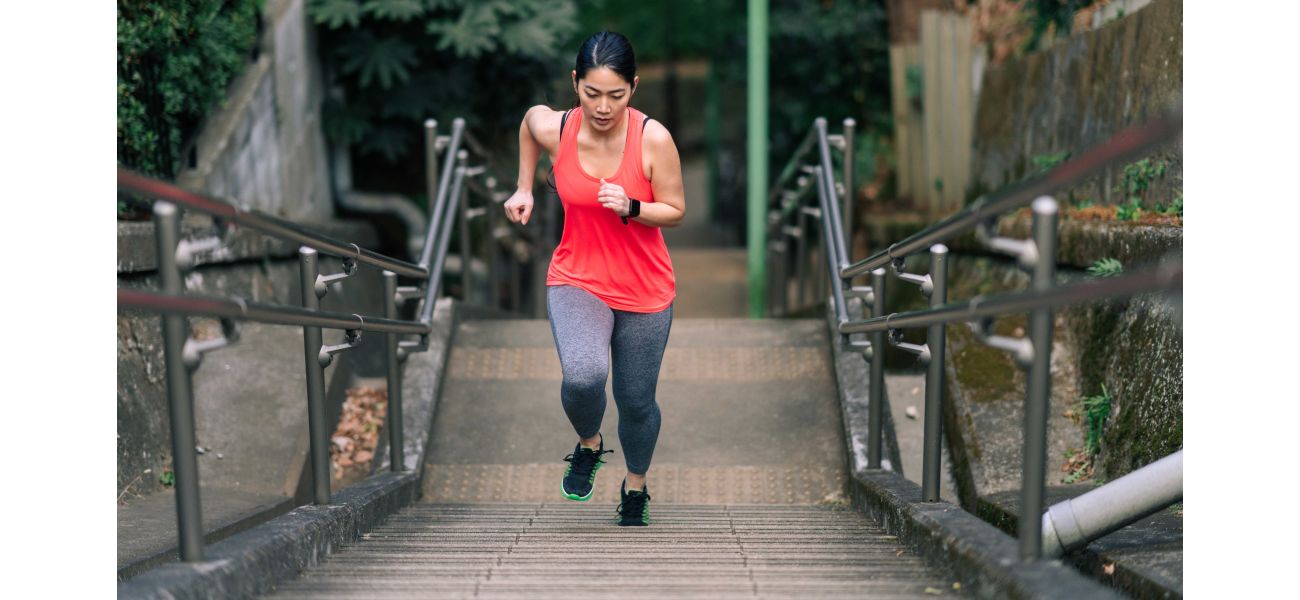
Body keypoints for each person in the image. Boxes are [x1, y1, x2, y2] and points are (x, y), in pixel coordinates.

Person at [504, 31, 684, 526]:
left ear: (634, 88)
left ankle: (635, 485)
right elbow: (527, 123)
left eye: (617, 95)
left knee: (635, 400)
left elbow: (675, 210)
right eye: (592, 93)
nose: (604, 107)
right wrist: (525, 187)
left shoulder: (653, 139)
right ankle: (589, 442)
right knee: (583, 377)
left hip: (645, 288)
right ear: (575, 83)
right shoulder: (558, 129)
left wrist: (633, 206)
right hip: (576, 276)